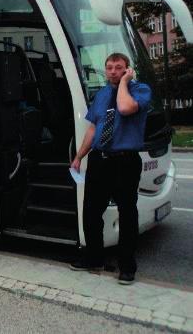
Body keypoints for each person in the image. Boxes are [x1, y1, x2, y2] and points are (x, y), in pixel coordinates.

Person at [70, 53, 151, 285]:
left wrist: (125, 83)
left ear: (127, 69)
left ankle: (127, 266)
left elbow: (125, 109)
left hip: (125, 161)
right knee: (91, 211)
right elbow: (94, 129)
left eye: (119, 68)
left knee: (127, 213)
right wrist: (79, 156)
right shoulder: (101, 94)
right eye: (109, 68)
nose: (113, 72)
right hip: (99, 160)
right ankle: (93, 257)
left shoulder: (140, 90)